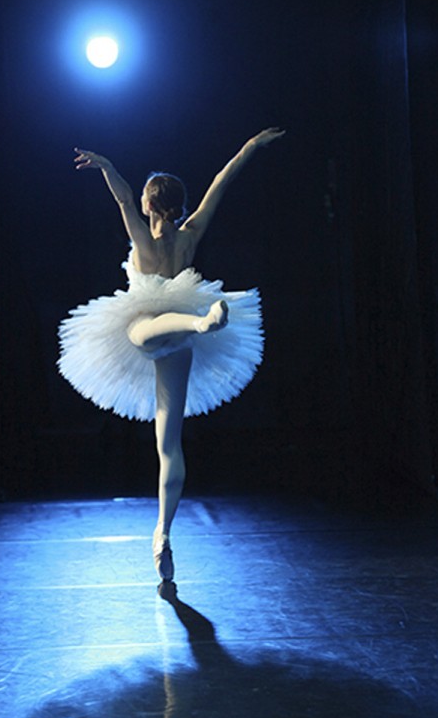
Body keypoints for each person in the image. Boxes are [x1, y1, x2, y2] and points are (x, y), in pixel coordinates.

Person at [58, 128, 285, 584]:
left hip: (152, 331)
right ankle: (163, 531)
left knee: (141, 337)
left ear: (149, 204)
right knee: (169, 445)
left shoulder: (144, 238)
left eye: (142, 198)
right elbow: (222, 181)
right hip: (181, 339)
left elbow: (122, 201)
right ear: (177, 205)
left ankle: (163, 534)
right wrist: (250, 148)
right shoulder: (190, 235)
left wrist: (108, 167)